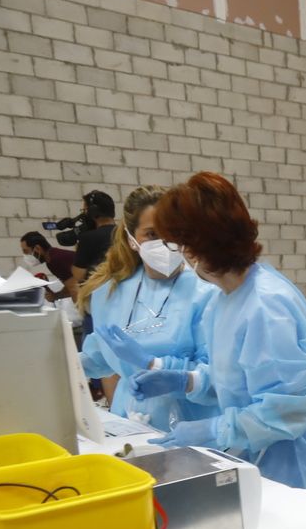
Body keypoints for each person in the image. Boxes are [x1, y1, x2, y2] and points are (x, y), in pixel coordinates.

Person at [129, 173, 306, 529]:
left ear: (199, 246)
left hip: (299, 455)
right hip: (268, 450)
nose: (178, 254)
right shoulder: (229, 297)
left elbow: (285, 410)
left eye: (179, 243)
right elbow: (234, 376)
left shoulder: (265, 304)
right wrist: (184, 381)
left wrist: (213, 430)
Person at [73, 184, 215, 430]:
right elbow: (100, 357)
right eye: (152, 234)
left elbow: (217, 376)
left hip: (189, 424)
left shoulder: (205, 293)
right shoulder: (111, 293)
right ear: (132, 239)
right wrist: (64, 364)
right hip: (129, 418)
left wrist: (158, 367)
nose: (166, 243)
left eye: (173, 232)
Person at [71, 189, 118, 284]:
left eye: (85, 210)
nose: (84, 214)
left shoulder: (88, 238)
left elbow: (79, 275)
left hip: (100, 289)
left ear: (92, 212)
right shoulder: (126, 232)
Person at [20, 231, 78, 299]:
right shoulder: (51, 260)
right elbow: (71, 284)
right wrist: (56, 296)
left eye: (26, 251)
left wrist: (80, 306)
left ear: (37, 248)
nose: (25, 255)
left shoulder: (55, 260)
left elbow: (75, 289)